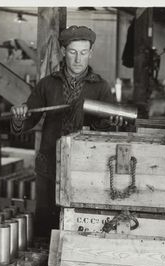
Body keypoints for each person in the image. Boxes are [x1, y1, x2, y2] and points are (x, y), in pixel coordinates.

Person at [10, 26, 123, 239]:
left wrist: (113, 123)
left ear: (91, 53)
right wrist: (20, 115)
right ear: (63, 52)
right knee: (46, 225)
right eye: (72, 52)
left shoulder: (101, 87)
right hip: (49, 166)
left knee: (80, 224)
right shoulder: (47, 84)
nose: (78, 59)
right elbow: (26, 123)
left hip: (86, 168)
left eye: (83, 52)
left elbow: (106, 132)